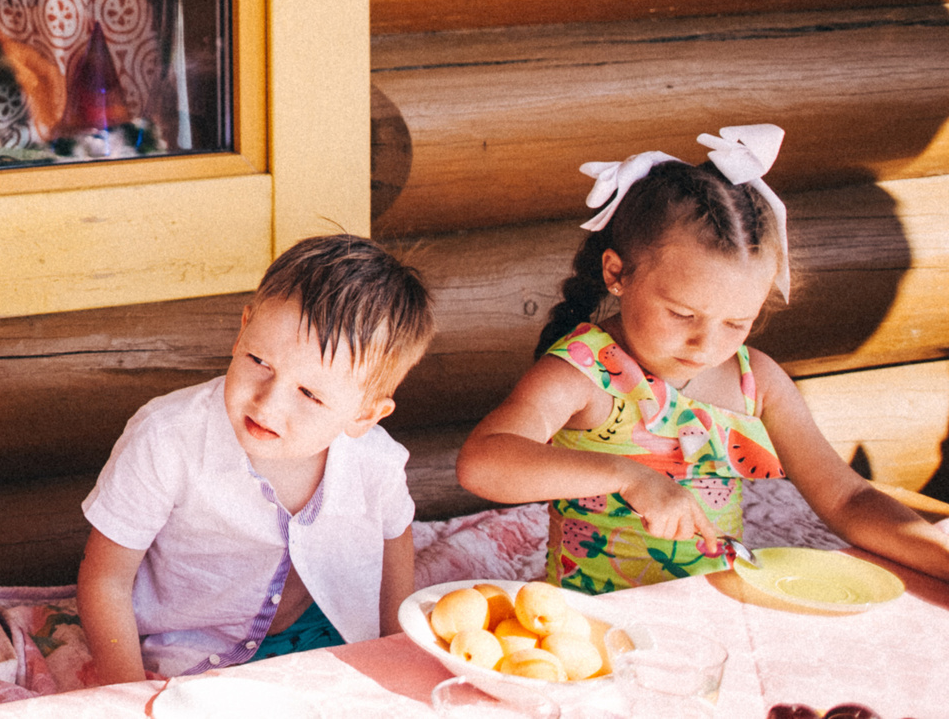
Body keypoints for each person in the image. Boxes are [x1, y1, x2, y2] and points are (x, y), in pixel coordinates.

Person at [457, 125, 949, 592]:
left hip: (714, 610)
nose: (707, 346)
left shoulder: (756, 379)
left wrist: (939, 559)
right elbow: (482, 463)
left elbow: (848, 498)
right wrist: (628, 475)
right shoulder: (582, 373)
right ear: (617, 273)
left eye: (737, 324)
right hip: (597, 622)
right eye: (682, 314)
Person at [77, 235, 436, 685]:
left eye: (309, 394)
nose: (268, 405)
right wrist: (127, 696)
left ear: (364, 414)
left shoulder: (376, 461)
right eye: (259, 360)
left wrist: (395, 653)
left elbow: (393, 539)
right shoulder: (166, 438)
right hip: (191, 653)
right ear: (242, 328)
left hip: (329, 636)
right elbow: (105, 579)